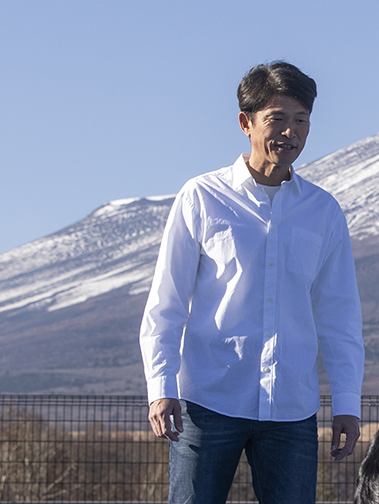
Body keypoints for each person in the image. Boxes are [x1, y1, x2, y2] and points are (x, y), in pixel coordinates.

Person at [139, 61, 364, 504]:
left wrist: (347, 403)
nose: (290, 133)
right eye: (276, 119)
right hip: (206, 404)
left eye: (301, 121)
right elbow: (166, 303)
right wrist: (160, 388)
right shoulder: (201, 197)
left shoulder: (324, 211)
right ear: (246, 123)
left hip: (292, 410)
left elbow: (340, 316)